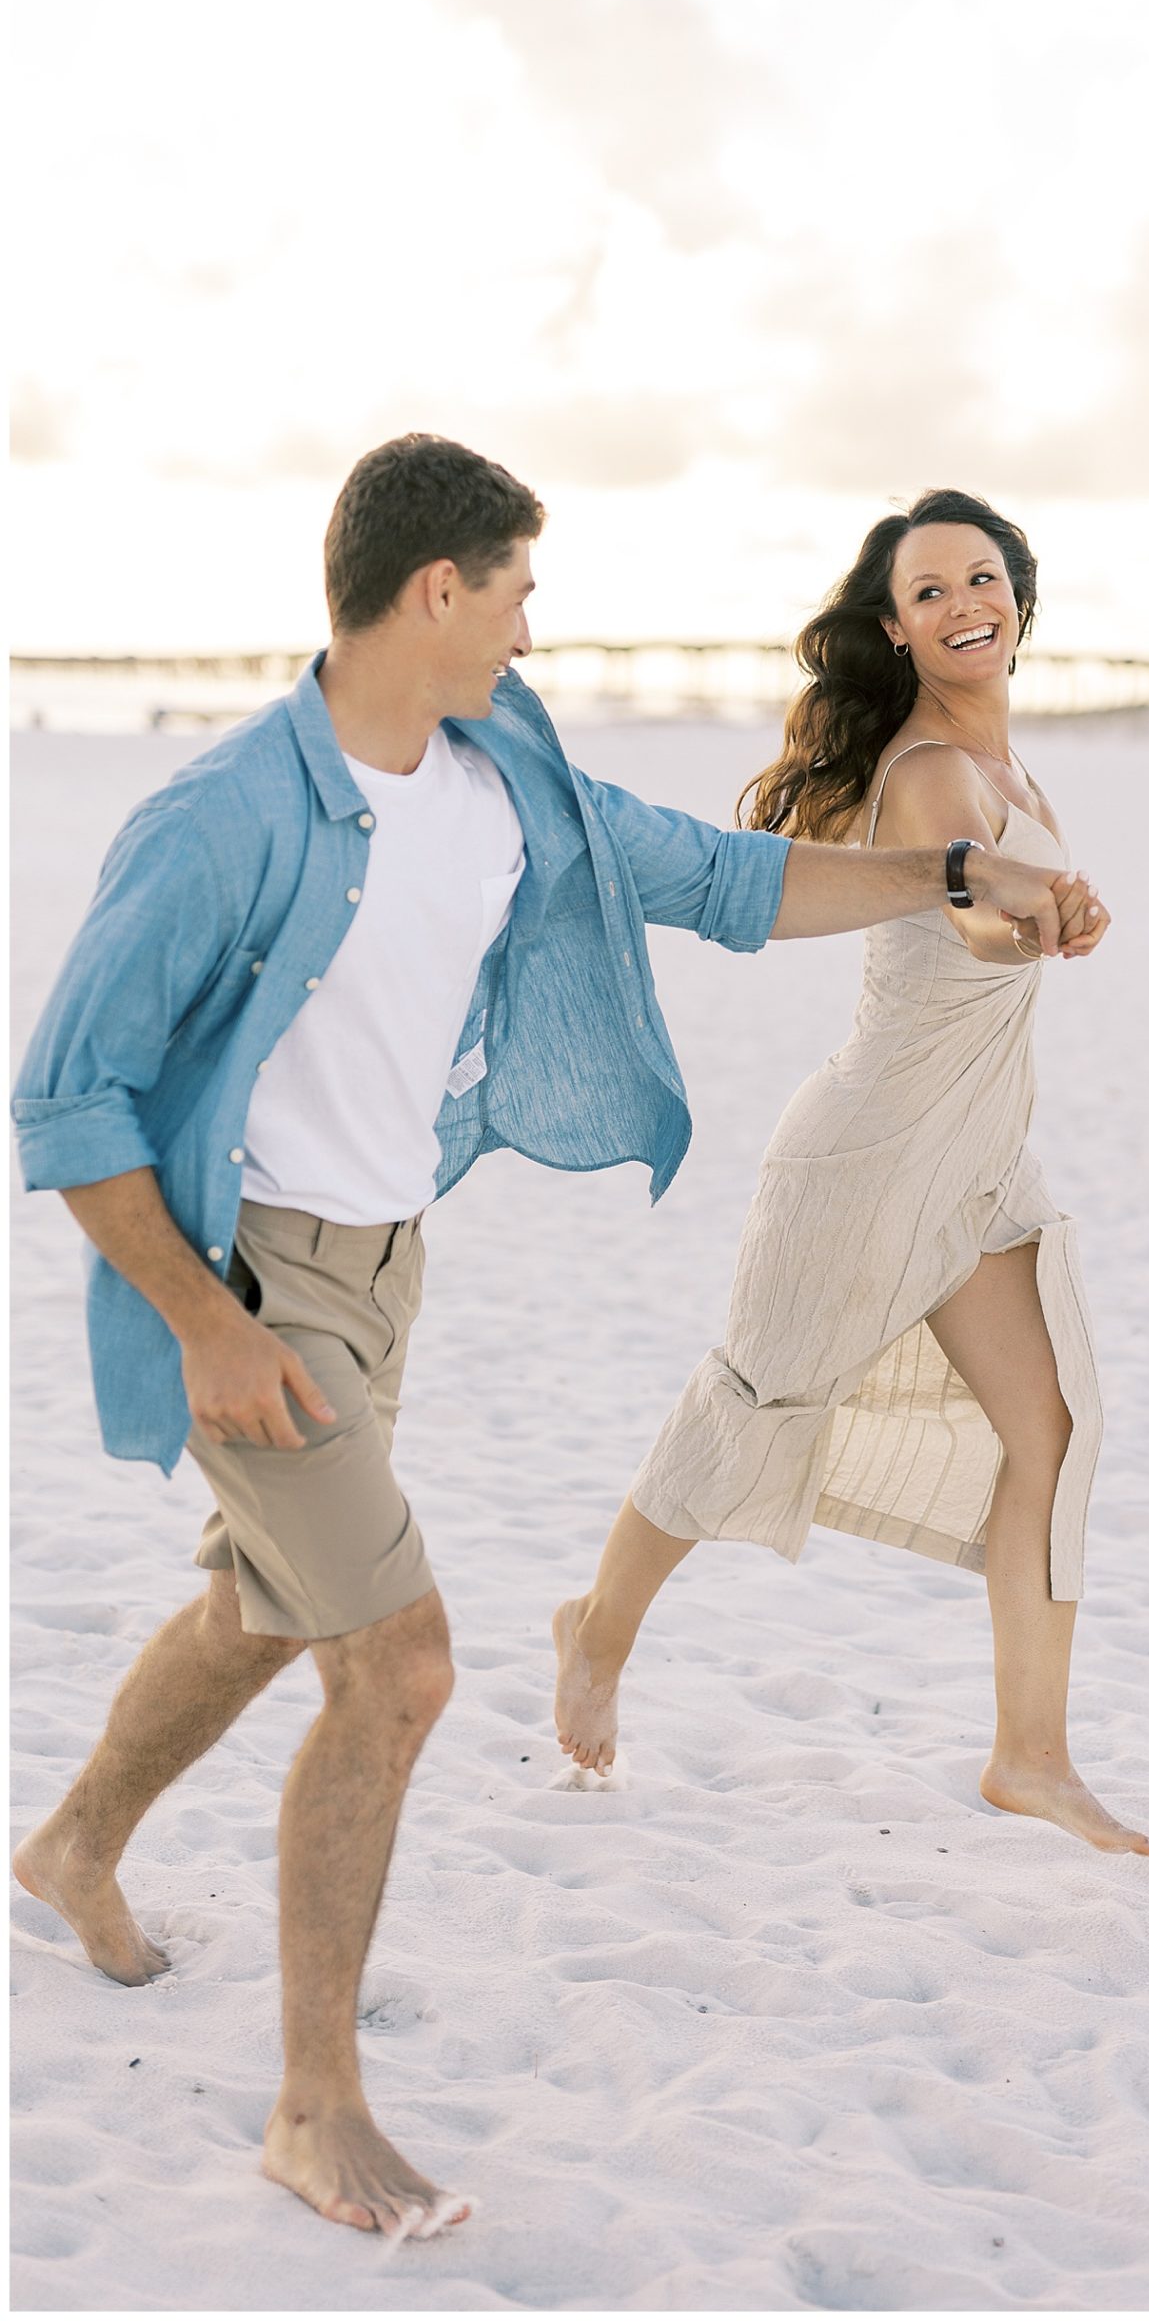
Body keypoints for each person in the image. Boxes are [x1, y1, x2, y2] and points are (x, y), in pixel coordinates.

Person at [9, 439, 1094, 2243]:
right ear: (436, 590)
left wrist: (957, 874)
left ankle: (71, 1849)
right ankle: (314, 2111)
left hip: (379, 1267)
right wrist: (203, 1323)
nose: (532, 626)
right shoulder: (224, 818)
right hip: (249, 1282)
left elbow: (719, 880)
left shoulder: (501, 772)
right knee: (398, 1665)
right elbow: (65, 1106)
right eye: (516, 590)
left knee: (265, 1609)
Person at [552, 489, 1149, 1859]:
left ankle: (1029, 1757)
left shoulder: (1014, 772)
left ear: (1020, 601)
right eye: (928, 591)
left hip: (975, 1157)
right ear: (895, 629)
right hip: (873, 1157)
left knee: (1053, 1431)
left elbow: (1017, 917)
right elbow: (974, 916)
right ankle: (596, 1631)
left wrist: (1062, 917)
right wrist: (1031, 922)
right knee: (753, 1404)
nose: (962, 605)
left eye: (981, 578)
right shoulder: (934, 776)